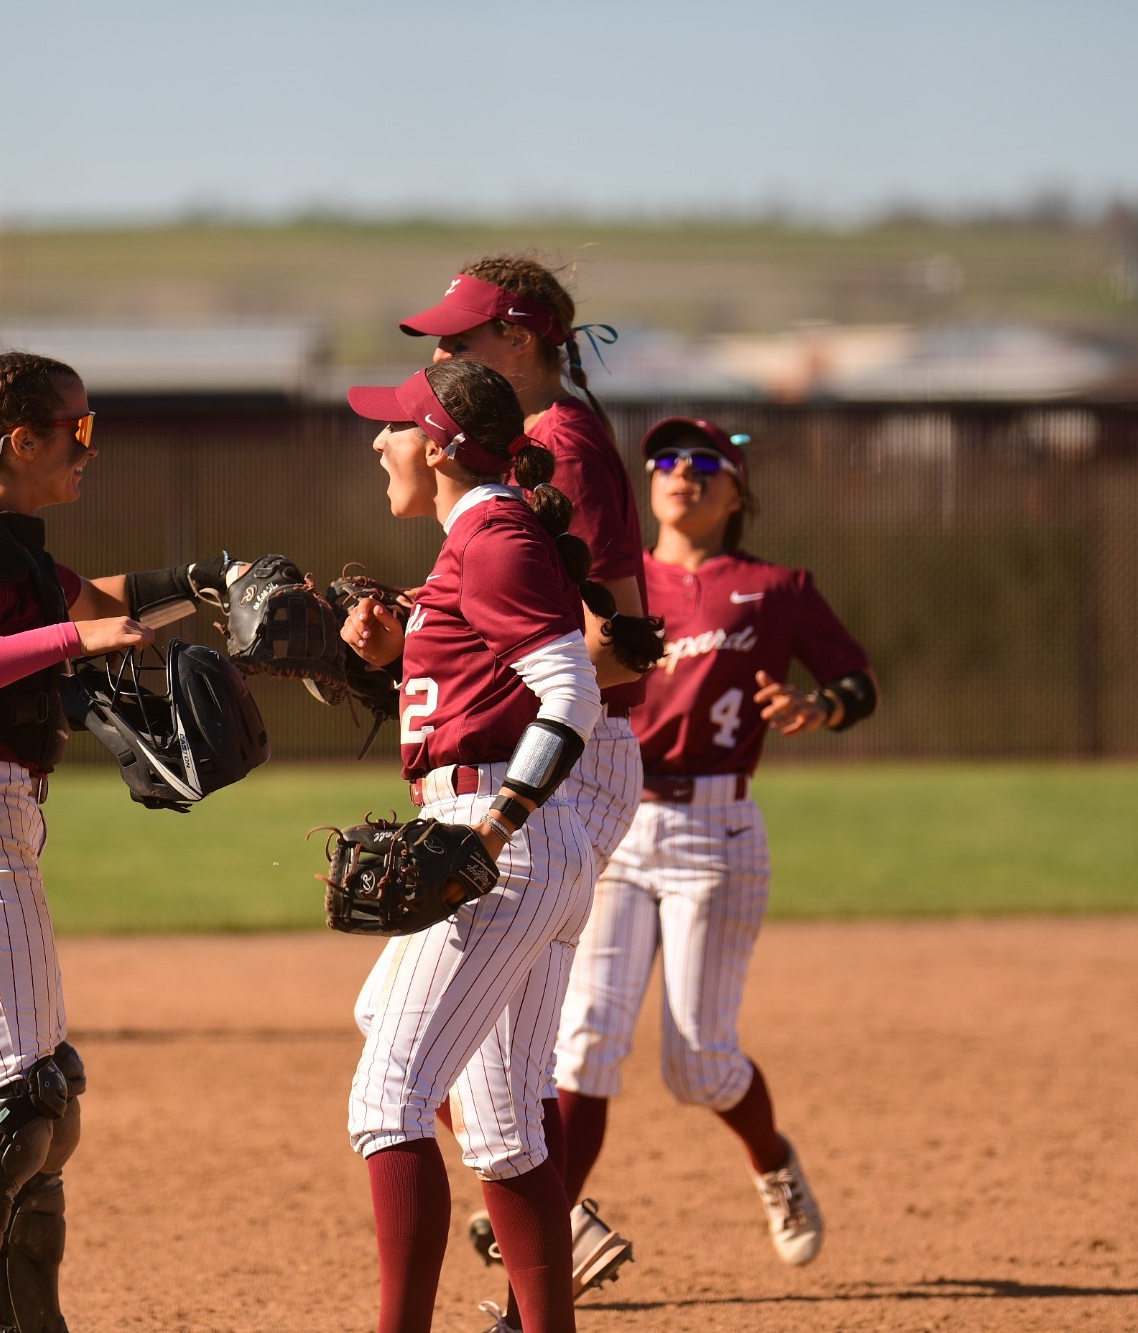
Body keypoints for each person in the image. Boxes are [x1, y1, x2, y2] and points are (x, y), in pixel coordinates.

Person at [0, 351, 240, 1333]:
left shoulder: (5, 537)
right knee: (12, 1100)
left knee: (44, 1095)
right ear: (20, 438)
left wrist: (210, 582)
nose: (86, 449)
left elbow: (94, 602)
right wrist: (79, 643)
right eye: (77, 431)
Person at [550, 418, 879, 1270]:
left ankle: (772, 1160)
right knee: (586, 1036)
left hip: (717, 830)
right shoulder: (611, 581)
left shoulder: (775, 587)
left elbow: (857, 678)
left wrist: (823, 707)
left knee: (697, 1064)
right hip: (616, 821)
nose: (679, 473)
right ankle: (548, 1228)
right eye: (663, 459)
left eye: (704, 463)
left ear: (736, 493)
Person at [393, 257, 652, 1314]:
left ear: (521, 337)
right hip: (556, 755)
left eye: (462, 339)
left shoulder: (555, 443)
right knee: (464, 1063)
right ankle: (549, 1241)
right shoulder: (543, 443)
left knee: (416, 1063)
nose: (444, 356)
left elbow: (613, 642)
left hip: (559, 764)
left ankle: (553, 1224)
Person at [337, 358, 604, 1333]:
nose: (379, 441)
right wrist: (386, 642)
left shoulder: (491, 534)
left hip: (501, 831)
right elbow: (472, 673)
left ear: (442, 446)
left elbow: (572, 692)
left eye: (396, 426)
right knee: (496, 1124)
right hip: (527, 839)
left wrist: (493, 825)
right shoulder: (479, 537)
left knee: (385, 1103)